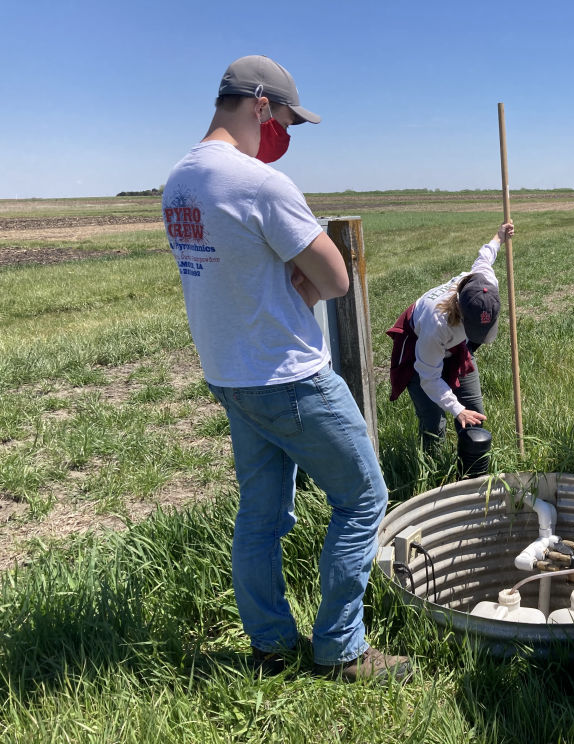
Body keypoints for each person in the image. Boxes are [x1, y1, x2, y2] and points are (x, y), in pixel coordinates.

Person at [162, 55, 409, 682]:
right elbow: (335, 275)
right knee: (363, 498)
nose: (288, 137)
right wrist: (296, 286)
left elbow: (232, 277)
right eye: (288, 121)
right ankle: (341, 649)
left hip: (230, 375)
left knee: (262, 515)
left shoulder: (179, 182)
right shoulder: (260, 185)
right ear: (261, 107)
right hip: (290, 376)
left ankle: (270, 646)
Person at [387, 222, 514, 476]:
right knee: (435, 422)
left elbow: (485, 256)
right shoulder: (437, 325)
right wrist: (456, 409)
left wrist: (499, 236)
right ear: (463, 317)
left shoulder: (484, 283)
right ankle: (433, 477)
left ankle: (473, 477)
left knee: (474, 413)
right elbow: (429, 378)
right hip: (420, 353)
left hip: (455, 349)